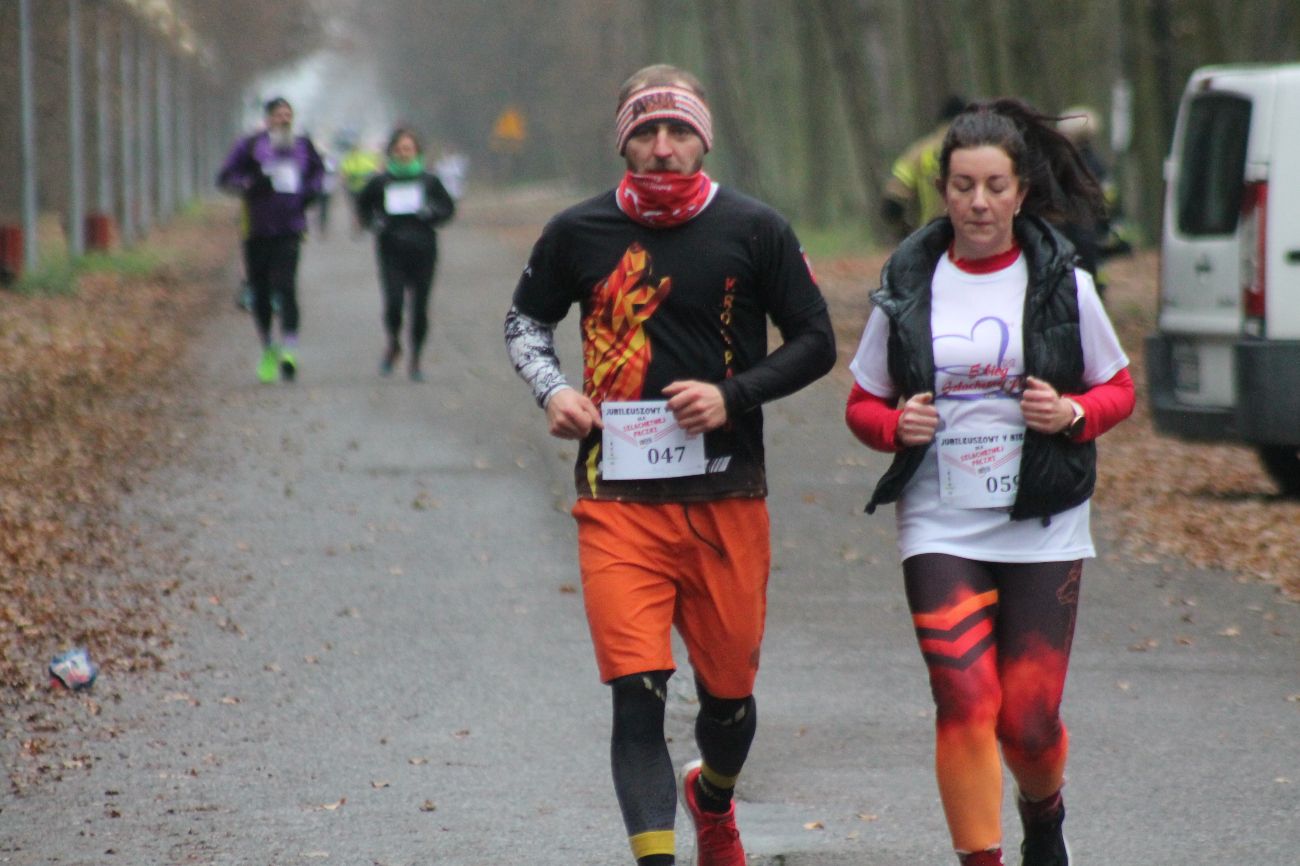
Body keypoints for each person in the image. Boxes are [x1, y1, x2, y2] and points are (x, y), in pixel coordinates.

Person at [504, 64, 836, 866]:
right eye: (645, 133)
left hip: (726, 497)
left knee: (729, 703)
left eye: (677, 131)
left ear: (702, 138)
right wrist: (552, 390)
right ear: (623, 143)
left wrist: (734, 395)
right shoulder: (577, 233)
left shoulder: (755, 229)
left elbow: (817, 342)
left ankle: (712, 797)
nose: (661, 148)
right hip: (616, 500)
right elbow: (525, 321)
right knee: (636, 694)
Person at [844, 99, 1136, 866]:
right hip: (941, 520)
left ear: (1020, 192)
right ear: (942, 190)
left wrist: (1072, 412)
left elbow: (1118, 390)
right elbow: (861, 403)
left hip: (1042, 518)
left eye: (995, 186)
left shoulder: (1063, 286)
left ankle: (1044, 815)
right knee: (965, 701)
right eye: (964, 186)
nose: (978, 202)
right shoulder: (910, 283)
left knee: (1029, 723)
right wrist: (893, 425)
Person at [217, 97, 325, 383]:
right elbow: (226, 177)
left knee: (286, 286)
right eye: (278, 115)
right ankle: (268, 348)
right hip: (257, 230)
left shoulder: (302, 145)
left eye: (288, 114)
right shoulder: (250, 145)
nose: (284, 119)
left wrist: (310, 193)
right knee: (261, 294)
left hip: (290, 228)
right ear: (268, 119)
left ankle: (290, 349)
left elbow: (317, 173)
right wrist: (251, 185)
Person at [356, 127, 456, 381]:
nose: (403, 154)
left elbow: (448, 208)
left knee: (419, 308)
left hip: (424, 251)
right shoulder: (381, 181)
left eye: (408, 149)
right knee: (393, 304)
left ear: (417, 152)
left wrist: (432, 212)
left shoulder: (429, 181)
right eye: (399, 150)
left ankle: (416, 359)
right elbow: (362, 205)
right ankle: (394, 342)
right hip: (391, 251)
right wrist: (373, 222)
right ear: (392, 152)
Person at [881, 95, 967, 244]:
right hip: (976, 239)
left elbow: (892, 205)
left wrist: (906, 232)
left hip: (932, 240)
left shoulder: (919, 152)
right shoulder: (983, 151)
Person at [339, 137, 384, 236]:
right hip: (353, 188)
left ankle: (362, 223)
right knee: (356, 207)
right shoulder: (349, 158)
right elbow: (344, 171)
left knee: (363, 206)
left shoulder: (366, 156)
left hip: (365, 188)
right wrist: (344, 180)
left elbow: (377, 167)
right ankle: (358, 225)